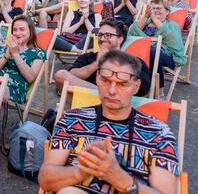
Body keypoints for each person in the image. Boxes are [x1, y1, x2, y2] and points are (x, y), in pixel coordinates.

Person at [39, 50, 180, 194]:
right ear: (97, 80)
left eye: (122, 84)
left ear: (136, 87)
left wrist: (119, 178)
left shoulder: (159, 134)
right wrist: (83, 171)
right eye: (105, 81)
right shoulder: (71, 120)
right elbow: (45, 180)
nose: (112, 91)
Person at [54, 18, 151, 97]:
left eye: (108, 35)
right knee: (60, 74)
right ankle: (104, 95)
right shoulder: (88, 57)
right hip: (87, 106)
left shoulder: (133, 61)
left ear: (120, 39)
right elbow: (70, 75)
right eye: (100, 35)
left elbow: (144, 88)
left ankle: (105, 95)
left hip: (118, 105)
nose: (102, 38)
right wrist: (97, 64)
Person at [0, 15, 47, 103]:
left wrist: (15, 53)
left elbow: (30, 77)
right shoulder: (3, 48)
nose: (17, 33)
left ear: (30, 31)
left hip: (13, 88)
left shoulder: (38, 53)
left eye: (22, 29)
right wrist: (7, 55)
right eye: (15, 30)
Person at [128, 0, 184, 96]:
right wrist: (146, 16)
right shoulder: (146, 22)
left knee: (152, 52)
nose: (155, 11)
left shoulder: (173, 26)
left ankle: (159, 91)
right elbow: (131, 33)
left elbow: (172, 39)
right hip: (141, 55)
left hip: (166, 58)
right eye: (153, 8)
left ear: (167, 11)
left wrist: (154, 18)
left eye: (158, 8)